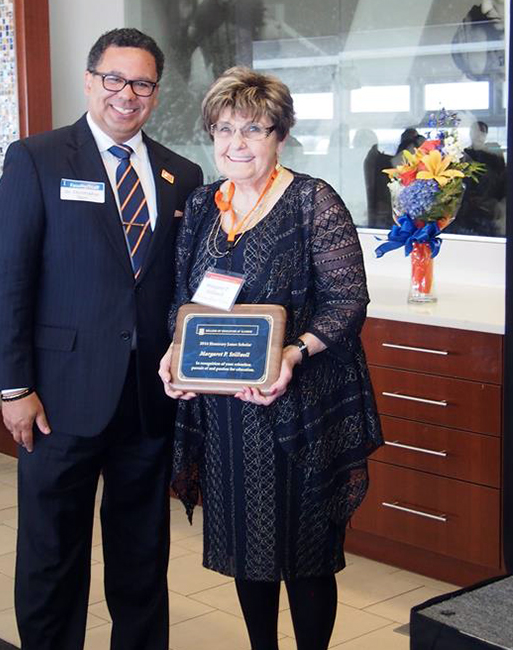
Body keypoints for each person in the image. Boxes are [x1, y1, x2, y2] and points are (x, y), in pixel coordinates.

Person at [0, 28, 202, 650]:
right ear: (90, 81)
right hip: (58, 398)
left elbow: (182, 285)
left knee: (142, 558)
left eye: (141, 83)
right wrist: (15, 385)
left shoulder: (181, 174)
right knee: (53, 556)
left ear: (155, 93)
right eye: (115, 79)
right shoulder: (38, 158)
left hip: (146, 400)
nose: (127, 94)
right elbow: (10, 281)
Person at [158, 67, 382, 650]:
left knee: (306, 555)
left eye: (254, 129)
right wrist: (176, 355)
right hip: (229, 413)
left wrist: (293, 352)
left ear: (279, 135)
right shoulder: (204, 203)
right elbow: (184, 300)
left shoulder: (312, 200)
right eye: (225, 129)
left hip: (299, 407)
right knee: (247, 548)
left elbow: (347, 300)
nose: (237, 144)